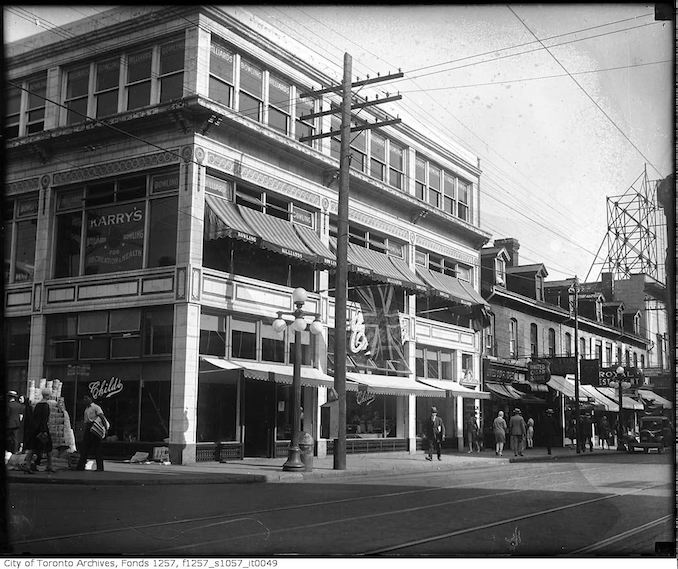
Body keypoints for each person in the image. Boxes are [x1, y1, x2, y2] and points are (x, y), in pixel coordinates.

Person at [22, 389, 55, 474]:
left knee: (33, 448)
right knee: (48, 447)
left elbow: (35, 418)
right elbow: (44, 419)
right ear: (48, 395)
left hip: (35, 429)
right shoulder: (46, 406)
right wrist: (44, 430)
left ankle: (28, 465)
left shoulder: (37, 405)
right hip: (42, 429)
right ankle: (49, 466)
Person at [76, 395, 110, 472]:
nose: (85, 400)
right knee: (85, 447)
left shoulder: (96, 407)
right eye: (84, 399)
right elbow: (85, 422)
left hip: (95, 426)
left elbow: (102, 417)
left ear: (90, 399)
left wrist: (105, 428)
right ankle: (81, 466)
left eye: (86, 398)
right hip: (88, 428)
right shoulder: (86, 410)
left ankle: (100, 467)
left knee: (97, 448)